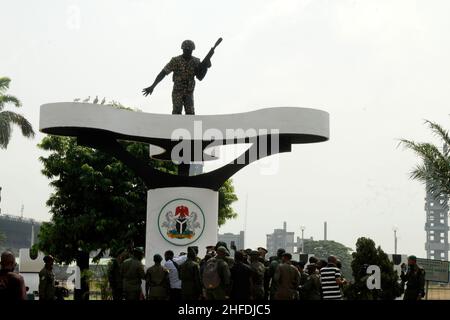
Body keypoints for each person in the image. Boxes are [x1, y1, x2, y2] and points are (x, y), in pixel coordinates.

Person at [142, 40, 211, 115]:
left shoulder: (196, 61)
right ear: (182, 49)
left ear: (192, 50)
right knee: (177, 112)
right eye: (186, 50)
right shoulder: (176, 60)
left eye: (189, 50)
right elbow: (163, 73)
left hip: (189, 92)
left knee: (190, 114)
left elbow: (200, 77)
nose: (187, 52)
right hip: (178, 91)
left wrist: (205, 67)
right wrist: (153, 86)